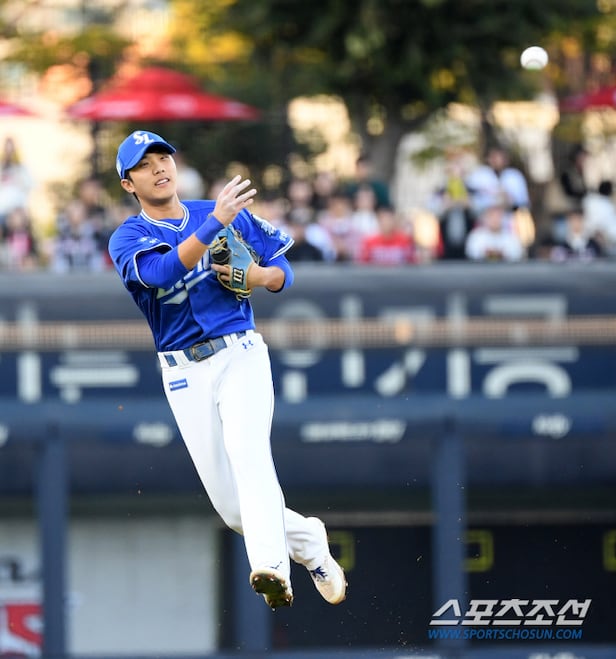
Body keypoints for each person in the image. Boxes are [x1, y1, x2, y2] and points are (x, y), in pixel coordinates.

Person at [107, 130, 347, 611]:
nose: (158, 168)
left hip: (240, 353)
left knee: (249, 452)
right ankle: (309, 542)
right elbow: (161, 274)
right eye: (144, 164)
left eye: (163, 158)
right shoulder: (128, 237)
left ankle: (272, 568)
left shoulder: (216, 211)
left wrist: (259, 276)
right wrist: (215, 223)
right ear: (129, 184)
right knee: (233, 509)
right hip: (183, 371)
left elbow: (282, 269)